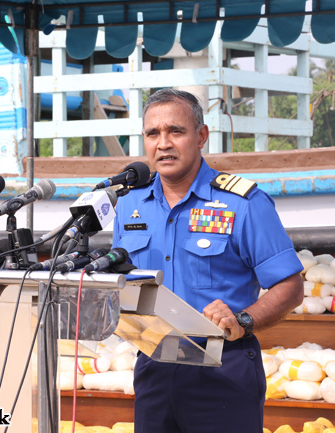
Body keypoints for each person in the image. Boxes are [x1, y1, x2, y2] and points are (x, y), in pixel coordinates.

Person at [111, 88, 304, 433]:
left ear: (201, 136)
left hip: (223, 367)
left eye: (176, 131)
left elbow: (290, 285)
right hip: (154, 364)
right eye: (153, 134)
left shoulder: (242, 203)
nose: (164, 143)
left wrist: (243, 319)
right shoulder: (129, 204)